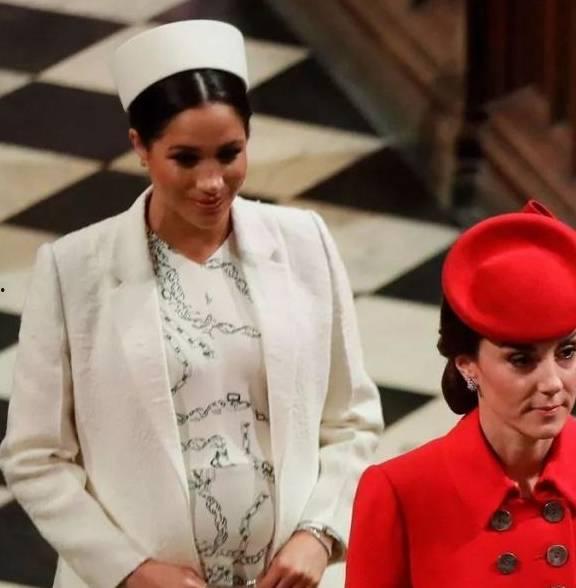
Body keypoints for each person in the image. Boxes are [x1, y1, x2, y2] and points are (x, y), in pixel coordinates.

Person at [0, 20, 383, 588]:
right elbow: (35, 458)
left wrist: (319, 533)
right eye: (185, 158)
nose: (212, 182)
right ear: (140, 147)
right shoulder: (73, 271)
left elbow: (352, 419)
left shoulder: (305, 243)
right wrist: (130, 571)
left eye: (230, 154)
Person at [346, 200, 576, 587]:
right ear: (468, 365)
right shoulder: (401, 493)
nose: (552, 381)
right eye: (522, 360)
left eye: (566, 352)